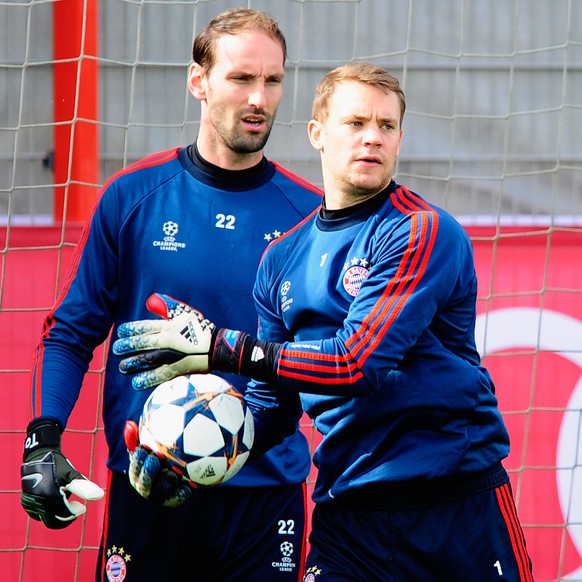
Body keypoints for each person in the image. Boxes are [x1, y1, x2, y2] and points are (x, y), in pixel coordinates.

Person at [113, 62, 534, 581]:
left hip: (453, 508)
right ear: (317, 134)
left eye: (385, 126)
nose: (372, 138)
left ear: (400, 139)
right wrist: (187, 451)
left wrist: (223, 347)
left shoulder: (421, 231)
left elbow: (357, 364)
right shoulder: (282, 258)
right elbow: (272, 407)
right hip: (347, 518)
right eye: (356, 123)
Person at [20, 8, 322, 581]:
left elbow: (329, 361)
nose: (259, 97)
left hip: (265, 496)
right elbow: (70, 331)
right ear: (198, 81)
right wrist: (43, 438)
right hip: (147, 484)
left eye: (273, 80)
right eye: (240, 78)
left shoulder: (309, 216)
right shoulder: (132, 197)